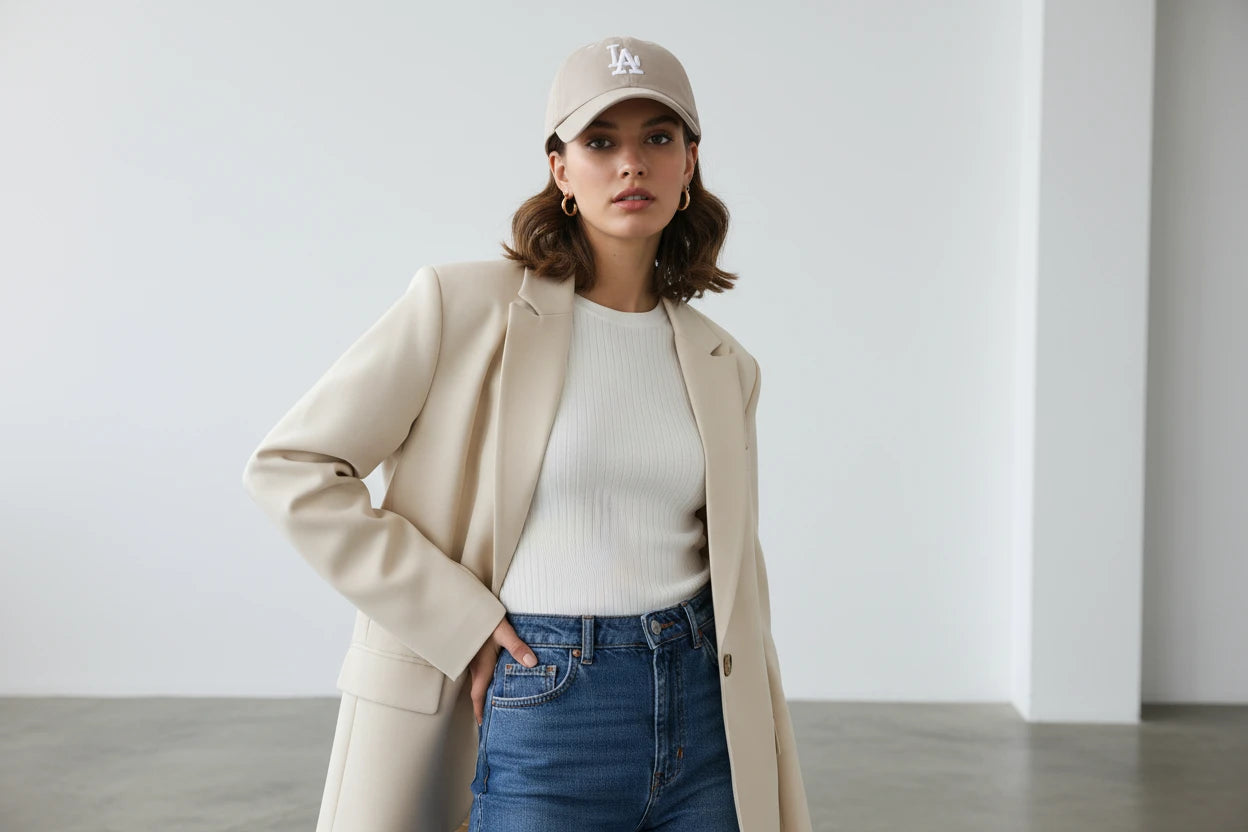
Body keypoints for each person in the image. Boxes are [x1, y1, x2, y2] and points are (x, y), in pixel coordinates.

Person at [243, 34, 811, 832]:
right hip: (544, 699)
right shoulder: (462, 309)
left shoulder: (725, 365)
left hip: (701, 707)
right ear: (560, 170)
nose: (632, 164)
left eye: (658, 138)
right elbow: (291, 466)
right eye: (600, 141)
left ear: (689, 163)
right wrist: (459, 617)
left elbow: (739, 581)